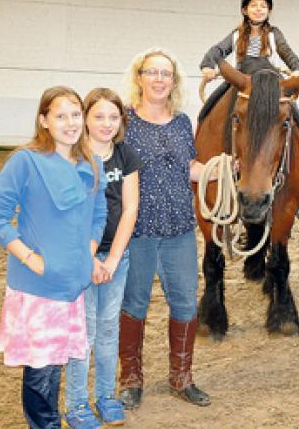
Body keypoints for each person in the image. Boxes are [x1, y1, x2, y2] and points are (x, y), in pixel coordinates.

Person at [0, 86, 107, 429]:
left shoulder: (92, 163)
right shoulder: (26, 161)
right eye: (61, 115)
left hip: (72, 285)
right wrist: (30, 258)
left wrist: (89, 251)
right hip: (37, 288)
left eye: (76, 115)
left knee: (55, 367)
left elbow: (99, 214)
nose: (70, 123)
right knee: (41, 372)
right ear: (44, 120)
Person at [118, 48, 211, 409]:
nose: (158, 79)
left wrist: (220, 170)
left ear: (173, 82)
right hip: (137, 229)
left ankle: (181, 376)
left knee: (185, 301)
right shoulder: (123, 121)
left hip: (179, 229)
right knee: (134, 302)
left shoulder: (182, 122)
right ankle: (130, 379)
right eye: (152, 72)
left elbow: (188, 167)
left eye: (165, 74)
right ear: (139, 76)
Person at [63, 88, 141, 428]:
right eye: (98, 116)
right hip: (81, 258)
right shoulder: (72, 157)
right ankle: (76, 403)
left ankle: (105, 395)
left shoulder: (126, 156)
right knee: (83, 330)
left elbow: (130, 208)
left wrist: (113, 259)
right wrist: (89, 259)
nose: (106, 123)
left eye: (113, 117)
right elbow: (69, 214)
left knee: (109, 329)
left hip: (116, 258)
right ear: (85, 119)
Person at [199, 0, 299, 169]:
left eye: (263, 6)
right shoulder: (236, 35)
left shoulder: (275, 34)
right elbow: (217, 50)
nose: (259, 9)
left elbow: (289, 55)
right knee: (210, 105)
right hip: (243, 82)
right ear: (245, 10)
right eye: (254, 5)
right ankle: (199, 142)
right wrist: (207, 66)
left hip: (270, 82)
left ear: (269, 11)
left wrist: (297, 70)